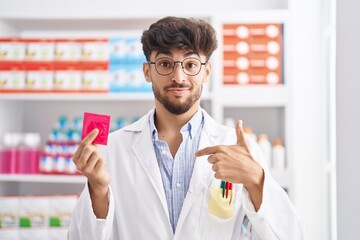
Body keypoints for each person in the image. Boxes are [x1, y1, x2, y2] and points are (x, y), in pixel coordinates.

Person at [68, 16, 303, 239]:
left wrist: (255, 178)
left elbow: (291, 236)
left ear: (206, 72)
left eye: (191, 64)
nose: (178, 77)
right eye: (164, 64)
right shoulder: (113, 149)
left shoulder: (240, 149)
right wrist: (97, 190)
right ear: (147, 72)